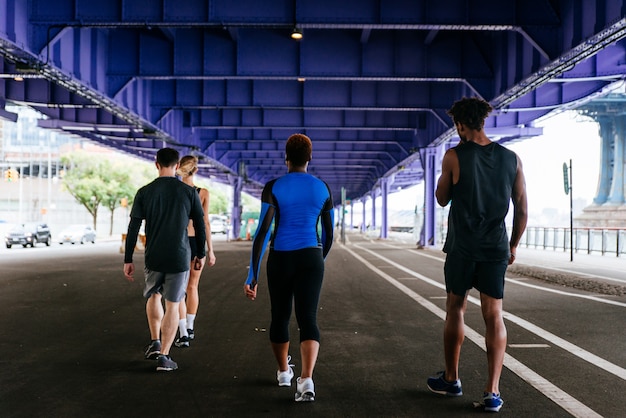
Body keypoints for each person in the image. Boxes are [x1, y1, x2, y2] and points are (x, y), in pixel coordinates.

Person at [426, 97, 528, 412]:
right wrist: (512, 246)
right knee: (493, 314)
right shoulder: (512, 159)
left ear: (459, 125)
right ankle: (492, 391)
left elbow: (441, 198)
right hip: (495, 248)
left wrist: (448, 179)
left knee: (455, 309)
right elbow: (522, 210)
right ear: (482, 121)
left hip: (462, 247)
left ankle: (452, 379)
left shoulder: (453, 157)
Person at [243, 133, 334, 402]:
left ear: (286, 158)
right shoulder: (322, 187)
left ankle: (284, 372)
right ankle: (306, 380)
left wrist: (252, 274)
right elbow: (329, 235)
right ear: (309, 157)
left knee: (280, 316)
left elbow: (261, 232)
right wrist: (319, 261)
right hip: (311, 257)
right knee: (308, 318)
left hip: (280, 257)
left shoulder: (273, 186)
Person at [123, 147, 207, 372]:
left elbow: (134, 227)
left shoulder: (144, 192)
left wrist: (128, 258)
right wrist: (201, 253)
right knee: (173, 304)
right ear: (177, 166)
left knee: (153, 295)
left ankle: (154, 342)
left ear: (156, 163)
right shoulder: (188, 192)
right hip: (179, 256)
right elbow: (199, 223)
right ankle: (165, 356)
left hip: (154, 255)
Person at [174, 155, 217, 348]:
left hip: (179, 243)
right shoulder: (203, 193)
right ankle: (190, 327)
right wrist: (210, 250)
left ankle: (182, 332)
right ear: (196, 170)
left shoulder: (174, 191)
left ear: (180, 168)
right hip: (197, 242)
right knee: (193, 287)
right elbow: (205, 223)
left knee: (179, 289)